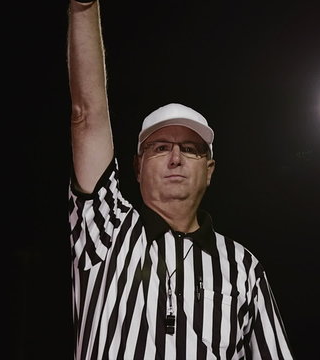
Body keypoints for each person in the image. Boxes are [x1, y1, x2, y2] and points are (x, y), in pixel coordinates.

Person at [66, 1, 294, 359]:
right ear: (138, 168)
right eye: (160, 147)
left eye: (190, 149)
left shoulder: (242, 266)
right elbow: (87, 116)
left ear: (210, 169)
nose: (175, 158)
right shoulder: (107, 231)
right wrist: (83, 7)